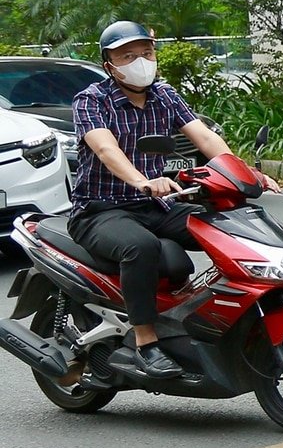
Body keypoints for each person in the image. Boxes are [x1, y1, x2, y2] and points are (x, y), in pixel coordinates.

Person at [70, 20, 272, 380]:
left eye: (146, 53)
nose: (140, 61)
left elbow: (204, 138)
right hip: (101, 210)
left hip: (155, 206)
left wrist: (243, 174)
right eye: (128, 56)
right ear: (109, 65)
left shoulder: (165, 95)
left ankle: (209, 316)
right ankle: (145, 342)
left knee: (228, 226)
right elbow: (105, 148)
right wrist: (142, 181)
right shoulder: (91, 100)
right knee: (141, 247)